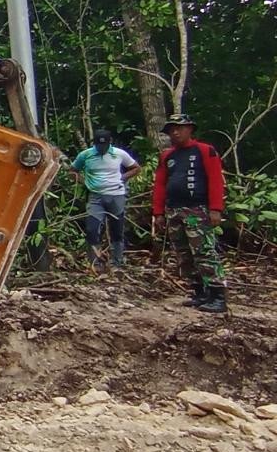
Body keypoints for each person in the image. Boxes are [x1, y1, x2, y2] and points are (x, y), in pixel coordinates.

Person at [152, 113, 228, 313]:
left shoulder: (204, 150)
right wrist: (158, 212)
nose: (175, 132)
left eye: (179, 128)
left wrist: (215, 209)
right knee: (184, 254)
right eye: (171, 130)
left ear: (190, 129)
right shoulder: (167, 155)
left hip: (197, 209)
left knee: (204, 251)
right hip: (173, 210)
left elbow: (215, 180)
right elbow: (160, 184)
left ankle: (217, 294)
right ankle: (199, 291)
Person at [71, 129, 140, 271]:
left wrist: (123, 177)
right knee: (92, 229)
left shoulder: (119, 154)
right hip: (95, 196)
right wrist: (84, 182)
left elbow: (135, 168)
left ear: (110, 143)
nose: (101, 148)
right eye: (99, 145)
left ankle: (117, 263)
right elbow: (73, 171)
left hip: (116, 195)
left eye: (104, 145)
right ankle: (95, 264)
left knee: (117, 229)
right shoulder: (86, 155)